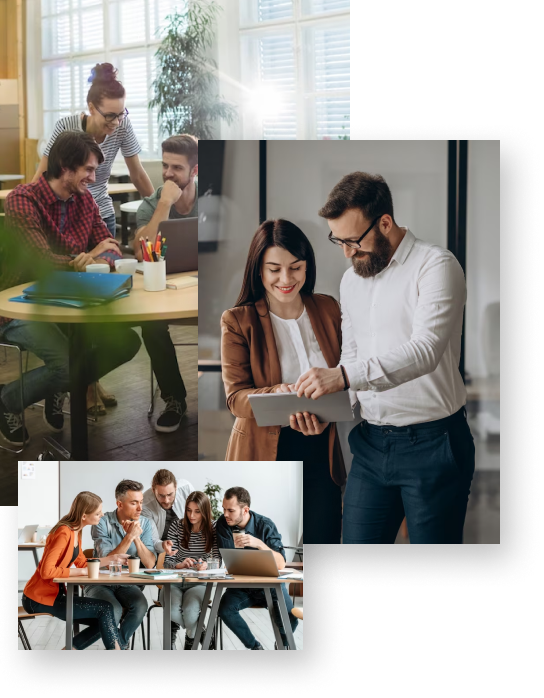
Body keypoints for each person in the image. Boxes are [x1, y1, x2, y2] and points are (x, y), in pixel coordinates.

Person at [295, 171, 475, 545]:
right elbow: (353, 353)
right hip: (371, 444)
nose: (346, 252)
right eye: (337, 241)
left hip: (434, 442)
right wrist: (325, 410)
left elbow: (425, 350)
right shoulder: (352, 280)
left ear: (385, 223)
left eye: (352, 240)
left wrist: (343, 377)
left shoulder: (436, 266)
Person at [0, 131, 141, 445]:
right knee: (66, 366)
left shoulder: (85, 200)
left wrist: (101, 255)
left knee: (126, 342)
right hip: (21, 305)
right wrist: (83, 259)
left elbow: (109, 246)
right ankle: (5, 399)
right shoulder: (23, 198)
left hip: (70, 301)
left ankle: (56, 387)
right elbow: (39, 260)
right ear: (66, 167)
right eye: (88, 169)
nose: (93, 177)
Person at [32, 62, 155, 415]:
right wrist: (29, 206)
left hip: (97, 211)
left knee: (99, 300)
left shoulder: (122, 125)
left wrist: (155, 208)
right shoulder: (67, 128)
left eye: (121, 115)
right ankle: (84, 388)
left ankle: (91, 380)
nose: (115, 123)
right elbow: (43, 174)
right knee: (76, 298)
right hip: (65, 213)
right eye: (109, 116)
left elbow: (136, 170)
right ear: (91, 108)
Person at [220, 219, 346, 543]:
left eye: (295, 267)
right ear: (258, 270)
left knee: (325, 537)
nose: (286, 279)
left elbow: (348, 373)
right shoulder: (238, 320)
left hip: (322, 445)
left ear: (307, 266)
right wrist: (279, 392)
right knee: (274, 546)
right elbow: (236, 399)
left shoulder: (328, 308)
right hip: (264, 449)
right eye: (274, 269)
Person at [130, 134, 199, 432]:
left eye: (177, 168)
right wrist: (165, 204)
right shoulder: (151, 204)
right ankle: (174, 399)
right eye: (164, 165)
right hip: (165, 294)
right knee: (152, 325)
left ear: (194, 171)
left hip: (206, 290)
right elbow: (139, 249)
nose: (168, 173)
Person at [22, 491, 126, 650]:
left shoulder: (75, 531)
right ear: (84, 515)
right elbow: (47, 571)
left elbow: (83, 563)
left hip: (54, 596)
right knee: (105, 610)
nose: (102, 515)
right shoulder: (64, 532)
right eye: (98, 513)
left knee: (106, 617)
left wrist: (111, 559)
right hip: (38, 599)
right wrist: (83, 573)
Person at [216, 487, 299, 650]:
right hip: (242, 588)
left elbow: (281, 563)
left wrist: (259, 544)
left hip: (271, 586)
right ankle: (255, 647)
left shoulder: (265, 525)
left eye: (230, 510)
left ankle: (282, 645)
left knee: (291, 619)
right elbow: (228, 560)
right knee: (225, 610)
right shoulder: (223, 524)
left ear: (245, 510)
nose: (225, 514)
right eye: (224, 509)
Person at [85, 479, 156, 649]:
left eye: (141, 502)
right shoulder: (102, 521)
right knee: (113, 609)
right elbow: (106, 559)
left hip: (128, 583)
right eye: (134, 503)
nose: (140, 508)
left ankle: (119, 646)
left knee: (140, 606)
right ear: (119, 504)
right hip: (99, 582)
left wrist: (136, 537)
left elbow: (150, 563)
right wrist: (129, 536)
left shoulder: (146, 524)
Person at [164, 491, 220, 650]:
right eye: (188, 510)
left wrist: (206, 566)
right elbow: (167, 562)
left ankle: (191, 638)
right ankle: (199, 633)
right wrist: (179, 565)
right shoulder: (177, 525)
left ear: (205, 511)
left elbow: (218, 561)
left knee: (189, 614)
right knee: (173, 611)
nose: (191, 515)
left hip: (199, 584)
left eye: (197, 511)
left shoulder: (214, 528)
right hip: (174, 582)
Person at [141, 468, 193, 555]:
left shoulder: (186, 488)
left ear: (176, 487)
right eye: (161, 495)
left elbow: (199, 517)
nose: (166, 500)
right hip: (161, 549)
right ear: (153, 490)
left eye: (170, 494)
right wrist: (163, 545)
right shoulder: (145, 504)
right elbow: (151, 538)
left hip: (189, 544)